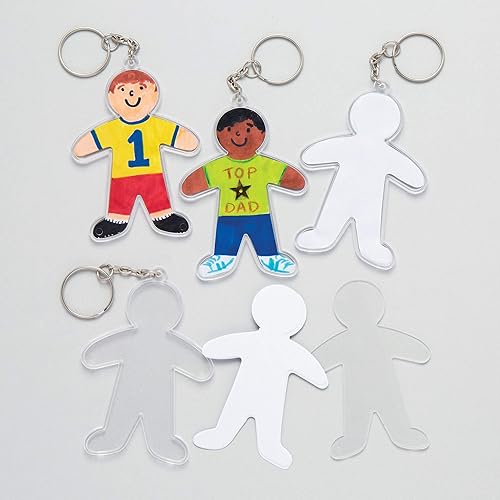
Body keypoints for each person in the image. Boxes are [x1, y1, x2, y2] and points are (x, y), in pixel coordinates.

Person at [193, 285, 328, 469]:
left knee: (266, 421)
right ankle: (224, 435)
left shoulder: (281, 348)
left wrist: (319, 378)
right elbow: (217, 347)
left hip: (264, 396)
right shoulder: (274, 346)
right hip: (250, 392)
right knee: (237, 415)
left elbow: (313, 371)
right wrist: (320, 378)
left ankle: (266, 445)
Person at [82, 280, 213, 463]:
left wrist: (200, 366)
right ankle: (115, 438)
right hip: (135, 390)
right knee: (123, 414)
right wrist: (200, 367)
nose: (153, 317)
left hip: (151, 392)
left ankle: (159, 443)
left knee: (156, 418)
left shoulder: (161, 342)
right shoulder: (156, 341)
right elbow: (199, 366)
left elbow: (198, 366)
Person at [296, 92, 426, 269]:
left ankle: (361, 244)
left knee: (363, 224)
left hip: (361, 198)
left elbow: (312, 155)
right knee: (342, 217)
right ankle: (327, 236)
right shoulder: (380, 152)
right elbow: (415, 178)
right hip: (354, 196)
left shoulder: (357, 147)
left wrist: (310, 155)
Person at [73, 69, 199, 240]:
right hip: (123, 176)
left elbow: (184, 139)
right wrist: (81, 149)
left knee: (156, 196)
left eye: (140, 88)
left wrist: (188, 141)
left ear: (153, 92)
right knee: (120, 198)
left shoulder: (155, 126)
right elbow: (88, 143)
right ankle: (116, 219)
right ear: (111, 96)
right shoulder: (114, 128)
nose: (132, 94)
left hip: (151, 175)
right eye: (123, 90)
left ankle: (163, 216)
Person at [182, 107, 306, 279]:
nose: (239, 136)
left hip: (259, 215)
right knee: (226, 241)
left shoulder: (264, 165)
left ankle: (270, 257)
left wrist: (293, 181)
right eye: (231, 130)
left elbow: (294, 180)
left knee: (264, 238)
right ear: (220, 134)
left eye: (248, 130)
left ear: (261, 133)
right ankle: (222, 257)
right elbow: (190, 186)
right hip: (228, 216)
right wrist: (191, 187)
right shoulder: (218, 166)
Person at [313, 281, 430, 459]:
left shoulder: (348, 340)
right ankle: (366, 438)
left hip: (369, 390)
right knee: (364, 416)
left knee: (385, 413)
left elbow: (318, 361)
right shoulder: (375, 337)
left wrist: (308, 366)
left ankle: (393, 434)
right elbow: (319, 361)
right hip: (372, 390)